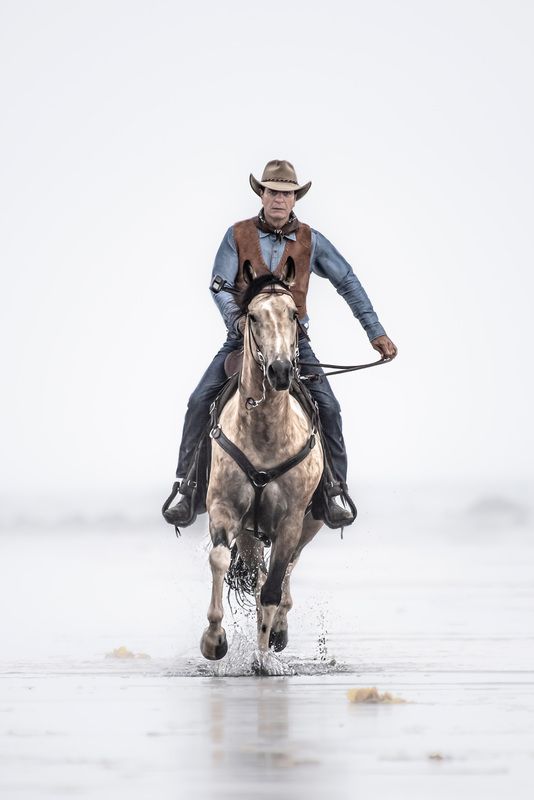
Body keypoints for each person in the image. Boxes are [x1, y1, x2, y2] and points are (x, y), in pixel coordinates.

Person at [163, 159, 397, 528]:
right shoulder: (236, 234)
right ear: (262, 193)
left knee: (329, 407)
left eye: (286, 193)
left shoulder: (311, 240)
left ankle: (334, 490)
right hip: (244, 338)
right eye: (273, 191)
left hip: (294, 343)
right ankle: (184, 487)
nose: (279, 199)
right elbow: (220, 285)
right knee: (198, 400)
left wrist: (376, 332)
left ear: (294, 198)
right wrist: (239, 321)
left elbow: (347, 282)